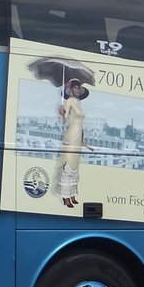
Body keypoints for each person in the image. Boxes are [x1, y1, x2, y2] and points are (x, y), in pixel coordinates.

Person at [52, 78, 93, 207]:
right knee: (67, 166)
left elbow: (81, 124)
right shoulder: (69, 101)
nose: (76, 89)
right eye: (74, 87)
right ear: (70, 89)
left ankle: (72, 194)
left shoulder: (78, 103)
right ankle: (65, 197)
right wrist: (62, 113)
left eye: (78, 87)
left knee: (74, 166)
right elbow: (64, 121)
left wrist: (83, 141)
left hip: (78, 135)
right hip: (71, 134)